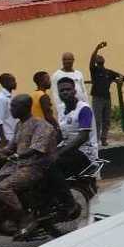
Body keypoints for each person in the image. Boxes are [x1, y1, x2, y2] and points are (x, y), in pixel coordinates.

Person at [0, 95, 57, 234]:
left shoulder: (40, 124)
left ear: (25, 107)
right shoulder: (20, 124)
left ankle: (25, 218)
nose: (11, 109)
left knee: (3, 188)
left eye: (14, 106)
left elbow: (36, 149)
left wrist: (16, 155)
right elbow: (10, 148)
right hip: (18, 165)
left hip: (35, 167)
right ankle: (6, 217)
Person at [49, 77, 98, 218]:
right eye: (62, 90)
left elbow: (83, 136)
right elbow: (60, 135)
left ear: (74, 90)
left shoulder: (83, 109)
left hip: (83, 153)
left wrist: (59, 153)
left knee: (52, 165)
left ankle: (69, 202)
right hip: (68, 150)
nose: (65, 92)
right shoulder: (62, 110)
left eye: (68, 89)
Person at [88, 41, 122, 147]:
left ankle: (104, 139)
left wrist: (118, 80)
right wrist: (97, 48)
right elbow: (91, 59)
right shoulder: (94, 70)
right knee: (97, 120)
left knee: (106, 120)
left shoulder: (108, 72)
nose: (99, 57)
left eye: (101, 56)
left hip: (107, 98)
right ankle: (96, 140)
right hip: (97, 98)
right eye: (98, 57)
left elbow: (120, 75)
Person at [0, 73, 18, 149]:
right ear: (5, 83)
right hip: (6, 137)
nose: (15, 83)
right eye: (13, 81)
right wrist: (3, 140)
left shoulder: (10, 96)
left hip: (12, 135)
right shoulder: (1, 98)